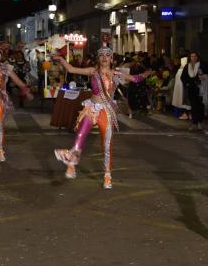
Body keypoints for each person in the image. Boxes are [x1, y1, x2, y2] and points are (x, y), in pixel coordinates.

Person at [53, 47, 150, 189]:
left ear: (111, 59)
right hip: (91, 108)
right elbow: (72, 69)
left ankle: (107, 175)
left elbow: (135, 79)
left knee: (106, 145)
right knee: (80, 136)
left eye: (107, 55)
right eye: (102, 55)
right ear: (99, 58)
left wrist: (146, 73)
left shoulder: (116, 73)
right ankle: (71, 164)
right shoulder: (93, 71)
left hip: (106, 111)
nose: (104, 58)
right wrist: (62, 60)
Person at [180, 51, 208, 130]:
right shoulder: (187, 66)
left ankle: (200, 122)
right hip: (191, 89)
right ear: (190, 57)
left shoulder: (202, 65)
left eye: (195, 56)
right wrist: (187, 83)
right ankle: (194, 123)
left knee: (200, 106)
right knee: (194, 106)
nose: (193, 58)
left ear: (197, 57)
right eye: (192, 56)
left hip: (200, 89)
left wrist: (204, 77)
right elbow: (183, 77)